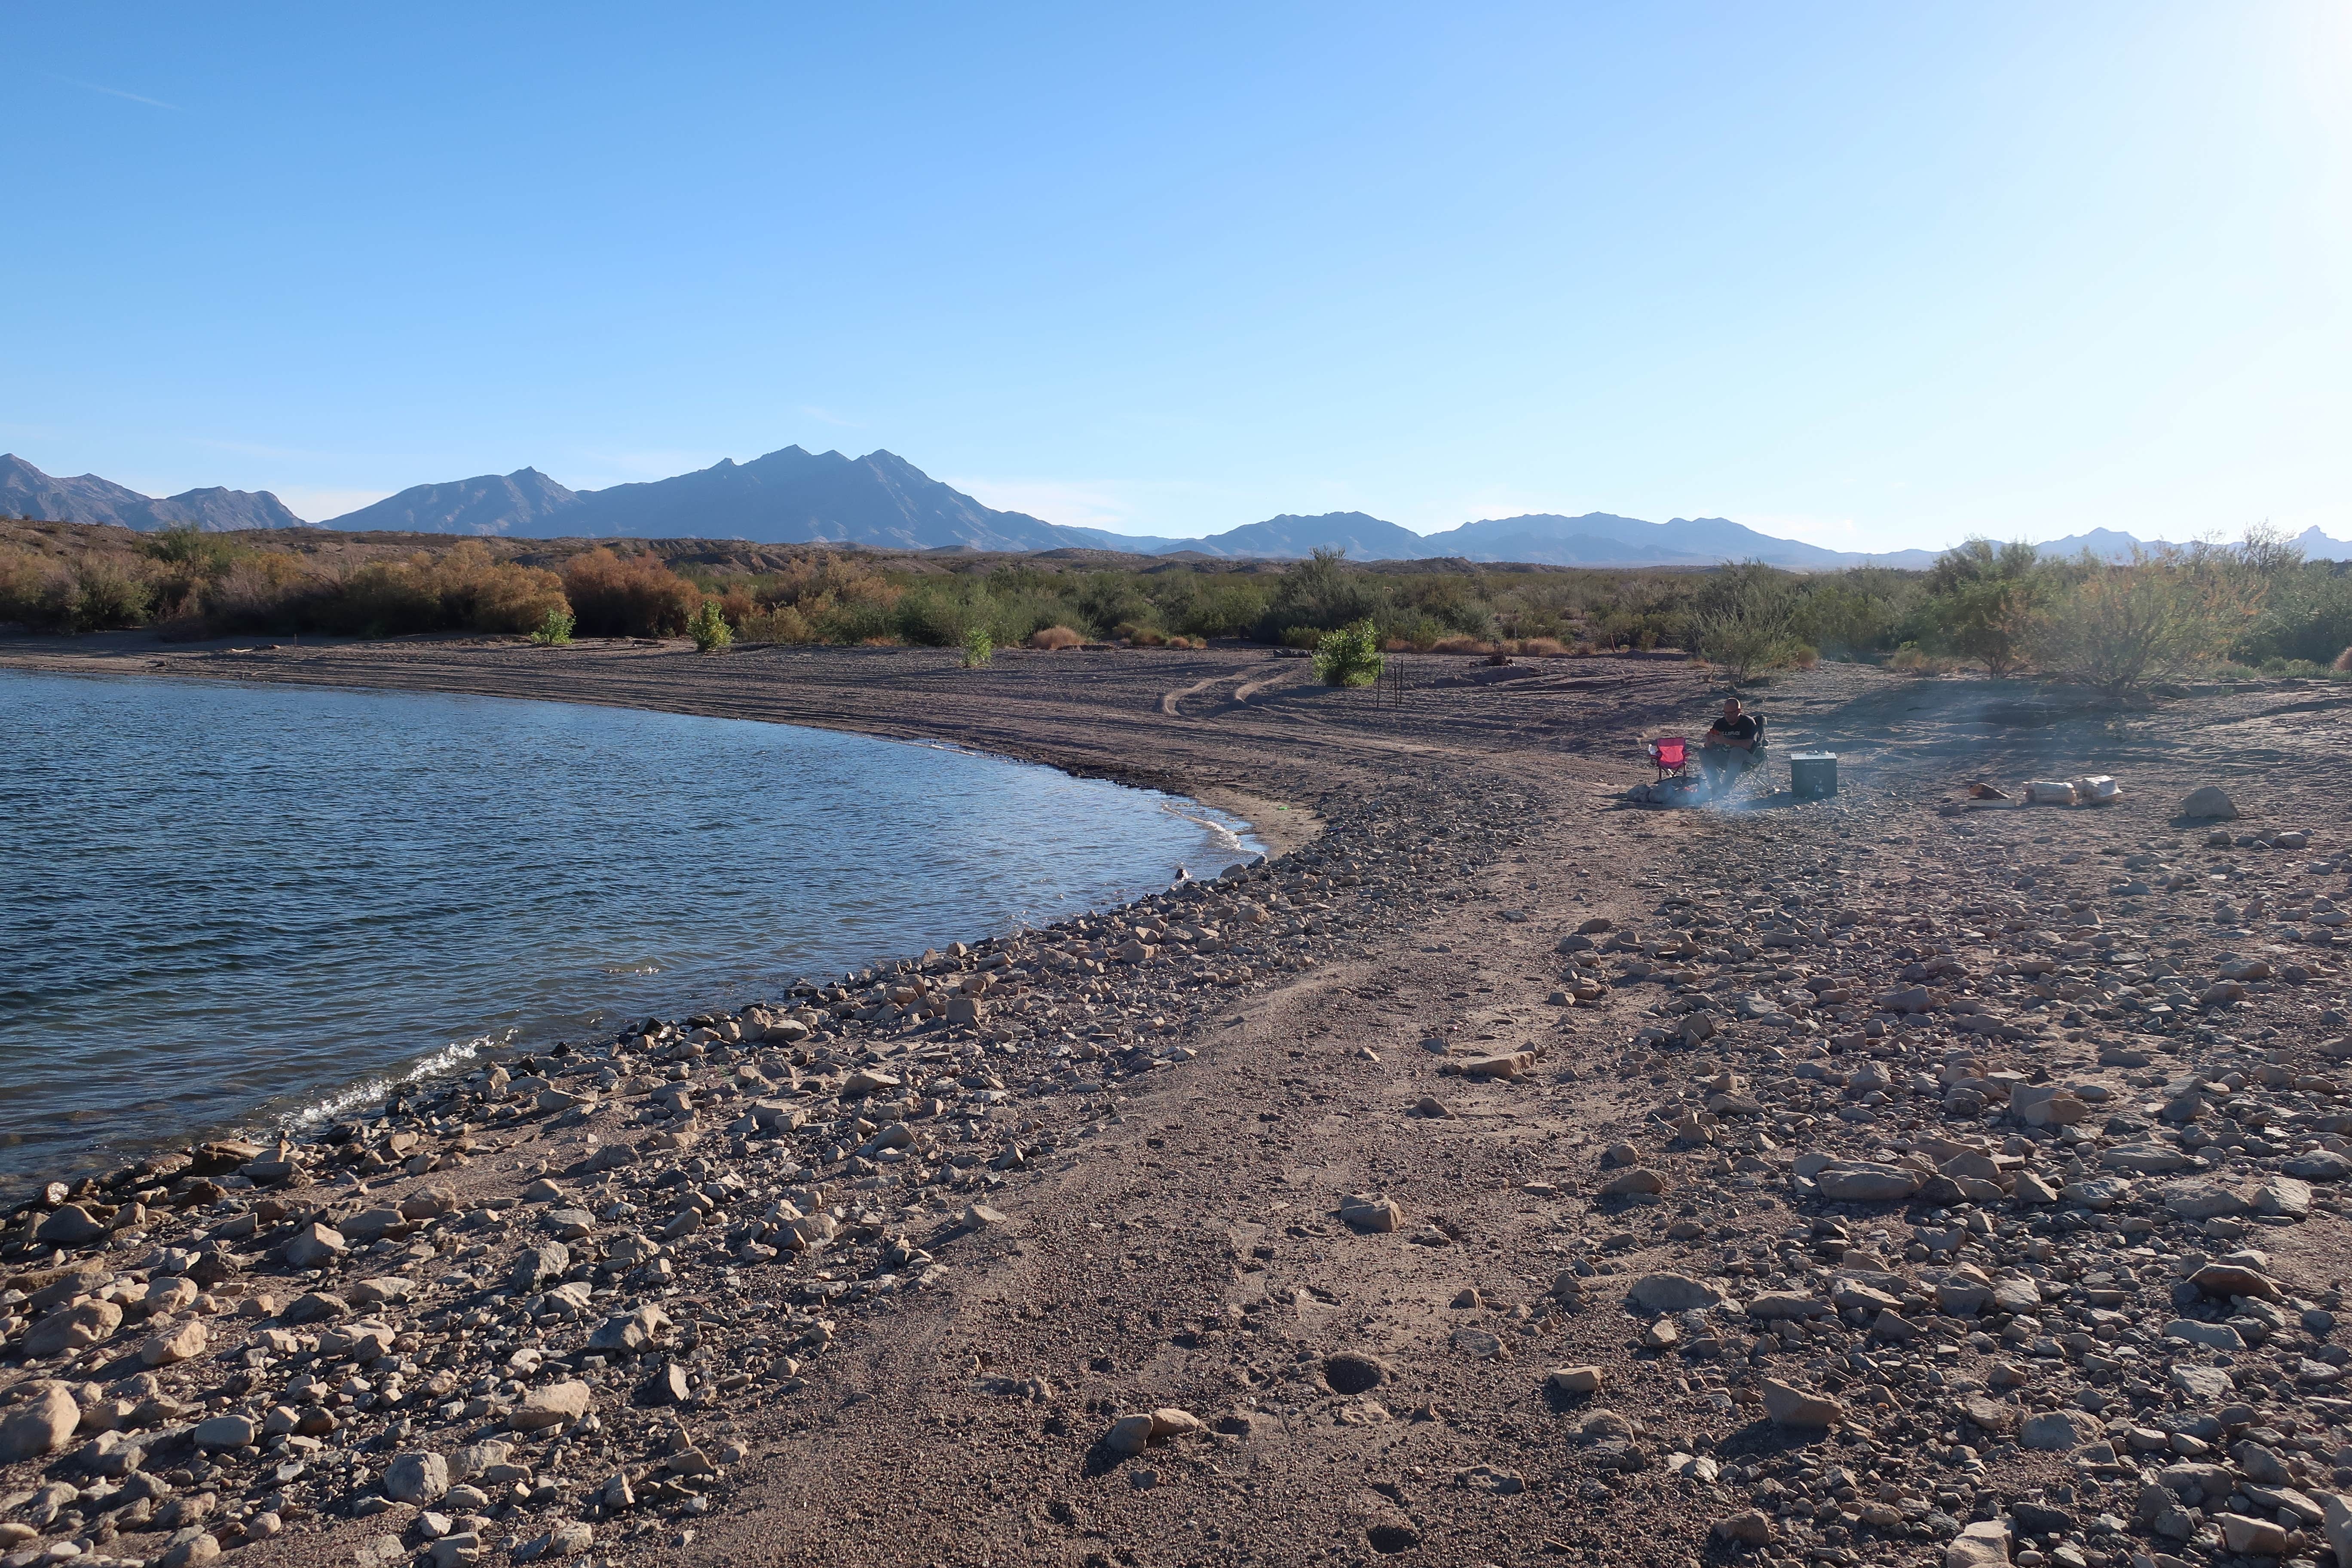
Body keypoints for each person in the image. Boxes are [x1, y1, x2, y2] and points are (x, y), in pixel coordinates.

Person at [1698, 697, 1760, 799]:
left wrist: (1725, 741)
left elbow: (1748, 745)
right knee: (1703, 752)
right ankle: (1715, 786)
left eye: (1731, 713)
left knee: (1736, 751)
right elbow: (1709, 747)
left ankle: (1725, 789)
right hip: (1725, 757)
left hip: (1746, 758)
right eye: (1725, 713)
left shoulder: (1748, 722)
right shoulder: (1720, 723)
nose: (1727, 716)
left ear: (1738, 711)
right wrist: (1709, 741)